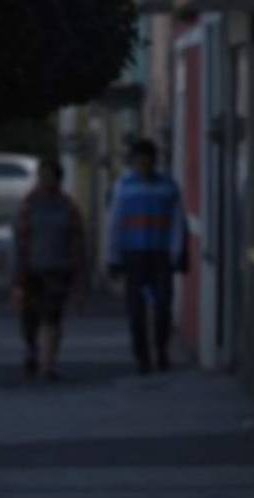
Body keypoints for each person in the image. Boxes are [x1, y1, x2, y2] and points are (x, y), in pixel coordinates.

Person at [105, 139, 187, 374]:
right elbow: (114, 224)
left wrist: (177, 253)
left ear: (154, 160)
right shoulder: (123, 186)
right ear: (133, 161)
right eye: (139, 159)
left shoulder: (168, 187)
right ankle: (142, 356)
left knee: (163, 308)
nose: (144, 164)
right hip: (133, 255)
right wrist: (113, 257)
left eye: (147, 159)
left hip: (160, 254)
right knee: (136, 311)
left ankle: (161, 350)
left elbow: (177, 224)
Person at [12, 158, 85, 381]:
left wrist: (78, 275)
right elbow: (20, 240)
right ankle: (32, 350)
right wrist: (17, 275)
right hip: (31, 269)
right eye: (43, 176)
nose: (46, 180)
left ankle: (49, 364)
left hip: (58, 269)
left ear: (58, 179)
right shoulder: (29, 203)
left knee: (52, 317)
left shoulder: (68, 206)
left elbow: (77, 241)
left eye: (50, 176)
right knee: (30, 319)